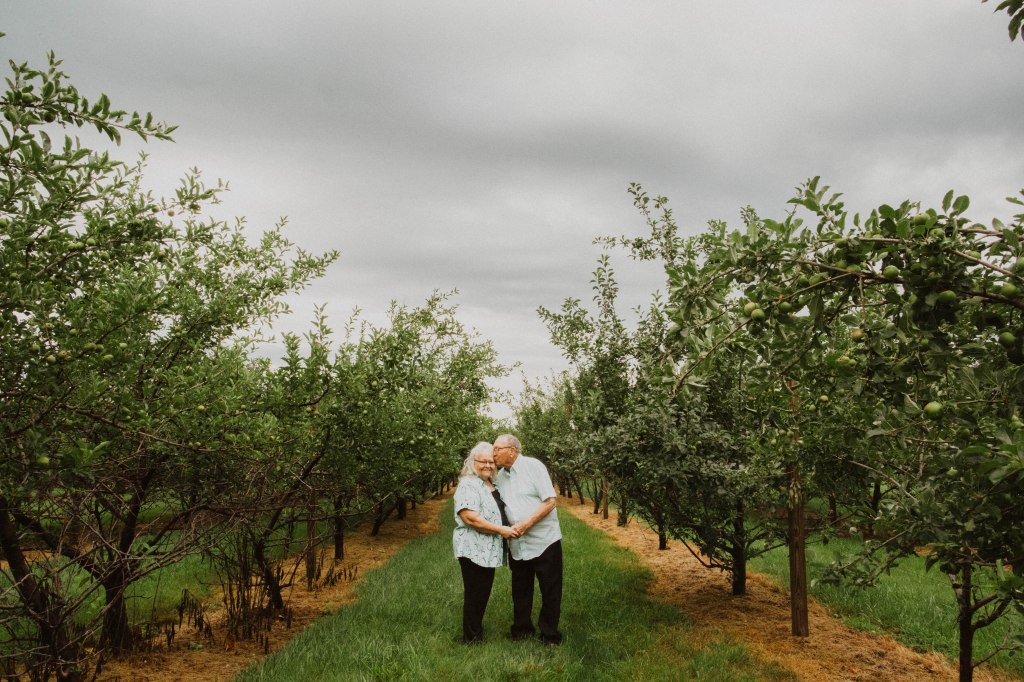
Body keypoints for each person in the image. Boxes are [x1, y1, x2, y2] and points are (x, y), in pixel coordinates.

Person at [492, 433, 563, 646]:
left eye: (497, 449)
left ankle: (549, 635)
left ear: (511, 451)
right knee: (520, 589)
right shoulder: (500, 476)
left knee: (550, 589)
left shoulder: (533, 467)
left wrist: (525, 524)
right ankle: (522, 630)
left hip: (544, 540)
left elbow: (550, 501)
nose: (493, 453)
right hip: (518, 543)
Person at [453, 441, 520, 644]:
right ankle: (471, 638)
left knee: (481, 593)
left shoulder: (491, 484)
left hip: (486, 549)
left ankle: (474, 632)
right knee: (475, 593)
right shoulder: (469, 484)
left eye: (491, 462)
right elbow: (470, 518)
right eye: (483, 462)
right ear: (473, 462)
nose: (488, 466)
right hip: (473, 548)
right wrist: (501, 530)